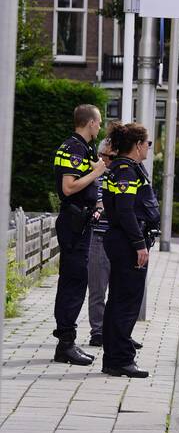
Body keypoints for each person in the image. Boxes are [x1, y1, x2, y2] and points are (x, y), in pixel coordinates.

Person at [101, 122, 160, 378]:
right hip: (127, 243)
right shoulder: (126, 171)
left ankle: (113, 358)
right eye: (147, 143)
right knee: (126, 303)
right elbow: (125, 211)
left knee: (117, 300)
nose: (148, 147)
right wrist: (139, 245)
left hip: (122, 240)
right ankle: (121, 360)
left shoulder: (123, 168)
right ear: (137, 145)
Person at [51, 104, 107, 366]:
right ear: (91, 123)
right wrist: (96, 172)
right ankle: (65, 344)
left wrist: (96, 203)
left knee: (75, 280)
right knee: (73, 281)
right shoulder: (74, 148)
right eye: (99, 122)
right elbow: (69, 186)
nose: (100, 126)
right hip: (73, 223)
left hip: (81, 221)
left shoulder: (83, 148)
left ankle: (67, 342)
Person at [86, 139, 144, 350]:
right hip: (99, 237)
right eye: (108, 157)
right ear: (101, 156)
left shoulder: (121, 173)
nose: (110, 161)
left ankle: (120, 334)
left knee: (119, 290)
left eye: (113, 157)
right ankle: (98, 331)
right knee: (98, 288)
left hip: (117, 240)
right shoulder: (94, 176)